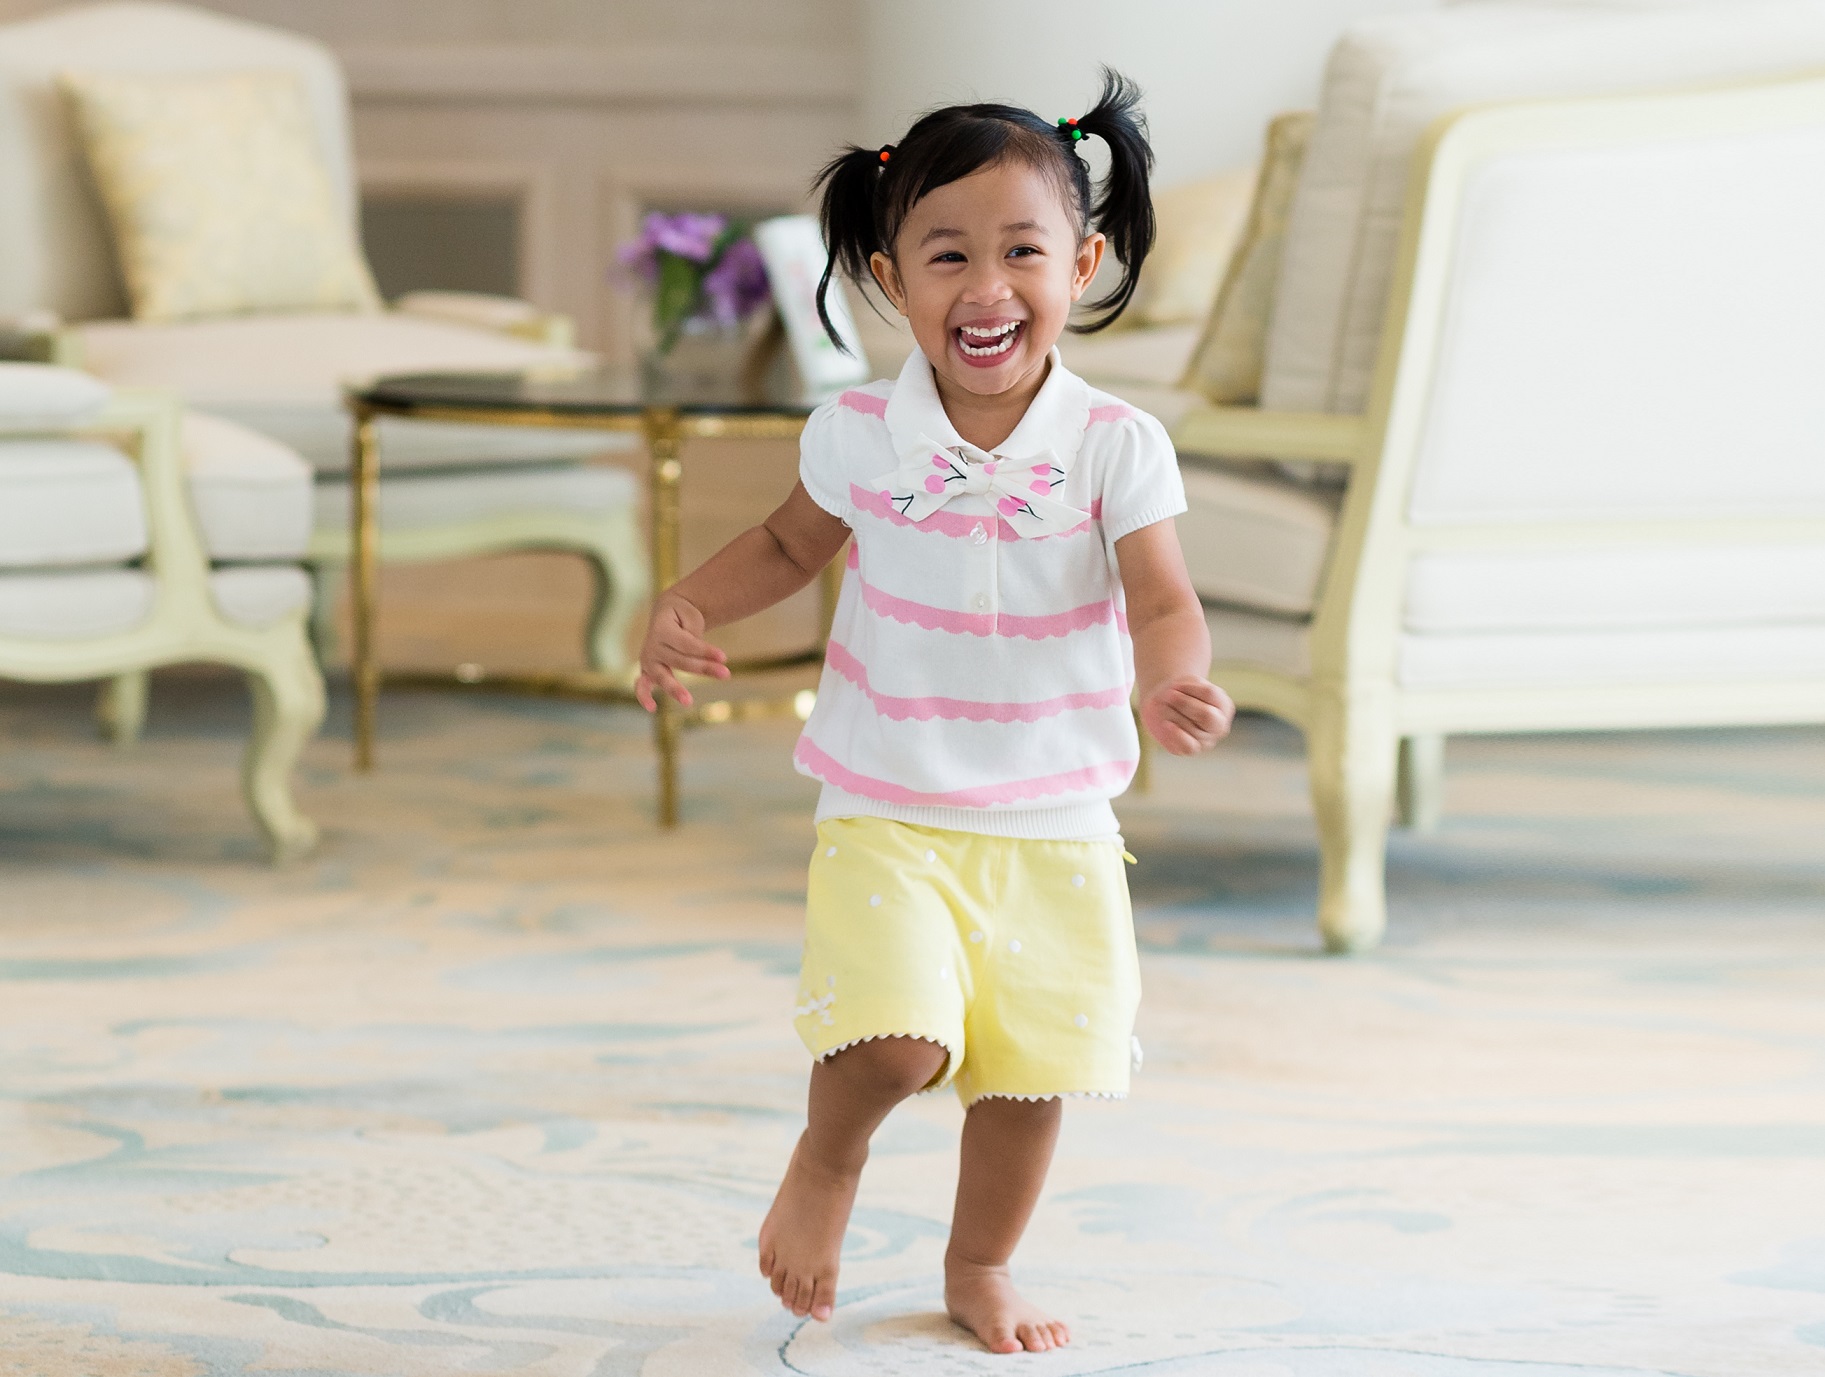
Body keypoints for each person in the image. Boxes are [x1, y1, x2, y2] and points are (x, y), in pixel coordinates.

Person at [634, 68, 1235, 1355]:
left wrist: (1168, 675)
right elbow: (788, 547)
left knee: (1029, 1073)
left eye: (1021, 251)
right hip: (888, 794)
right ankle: (828, 1157)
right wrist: (688, 602)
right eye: (946, 253)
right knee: (895, 1040)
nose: (986, 286)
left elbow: (1162, 594)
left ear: (1079, 264)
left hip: (1055, 813)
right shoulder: (856, 432)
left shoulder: (1116, 445)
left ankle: (980, 1264)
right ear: (891, 277)